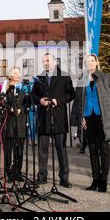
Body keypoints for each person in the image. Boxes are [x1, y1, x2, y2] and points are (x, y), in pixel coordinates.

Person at [71, 54, 110, 192]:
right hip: (88, 118)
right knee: (93, 150)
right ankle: (95, 180)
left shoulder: (106, 77)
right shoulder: (82, 80)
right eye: (87, 61)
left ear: (96, 62)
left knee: (104, 149)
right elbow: (78, 102)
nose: (89, 63)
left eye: (92, 61)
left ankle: (103, 181)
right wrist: (79, 118)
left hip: (103, 117)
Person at [32, 53, 75, 188]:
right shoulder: (39, 78)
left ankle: (64, 178)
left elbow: (71, 94)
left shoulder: (64, 76)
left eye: (48, 60)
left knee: (61, 150)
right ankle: (42, 176)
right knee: (42, 150)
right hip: (43, 119)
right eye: (44, 61)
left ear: (55, 62)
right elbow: (33, 96)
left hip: (58, 118)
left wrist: (59, 100)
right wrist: (39, 101)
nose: (46, 63)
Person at [2, 67, 27, 183]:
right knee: (8, 149)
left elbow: (27, 104)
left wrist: (21, 109)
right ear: (10, 75)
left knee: (19, 149)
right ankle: (9, 172)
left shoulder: (24, 88)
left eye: (18, 72)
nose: (18, 75)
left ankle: (18, 171)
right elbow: (2, 102)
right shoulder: (6, 87)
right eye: (15, 73)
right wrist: (9, 108)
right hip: (9, 121)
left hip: (21, 121)